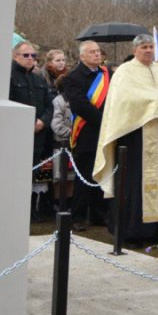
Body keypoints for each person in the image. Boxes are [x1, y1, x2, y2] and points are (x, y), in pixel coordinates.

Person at [94, 35, 158, 244]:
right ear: (135, 50)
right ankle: (131, 232)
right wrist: (153, 103)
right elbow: (123, 102)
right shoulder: (125, 72)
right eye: (144, 47)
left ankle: (156, 229)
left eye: (151, 46)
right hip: (134, 136)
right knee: (134, 184)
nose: (149, 50)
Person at [61, 41, 111, 231]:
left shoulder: (107, 74)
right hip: (86, 133)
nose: (97, 54)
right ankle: (79, 216)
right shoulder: (73, 77)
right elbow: (80, 105)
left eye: (98, 51)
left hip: (106, 132)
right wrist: (103, 120)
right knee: (84, 176)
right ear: (82, 56)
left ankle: (99, 214)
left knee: (102, 174)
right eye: (92, 52)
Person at [10, 42, 54, 222]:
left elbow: (49, 106)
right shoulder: (9, 77)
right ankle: (15, 210)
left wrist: (42, 121)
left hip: (37, 137)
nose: (30, 59)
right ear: (15, 56)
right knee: (15, 175)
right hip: (16, 136)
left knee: (32, 174)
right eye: (26, 55)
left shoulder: (38, 80)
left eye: (33, 56)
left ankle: (29, 210)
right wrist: (26, 123)